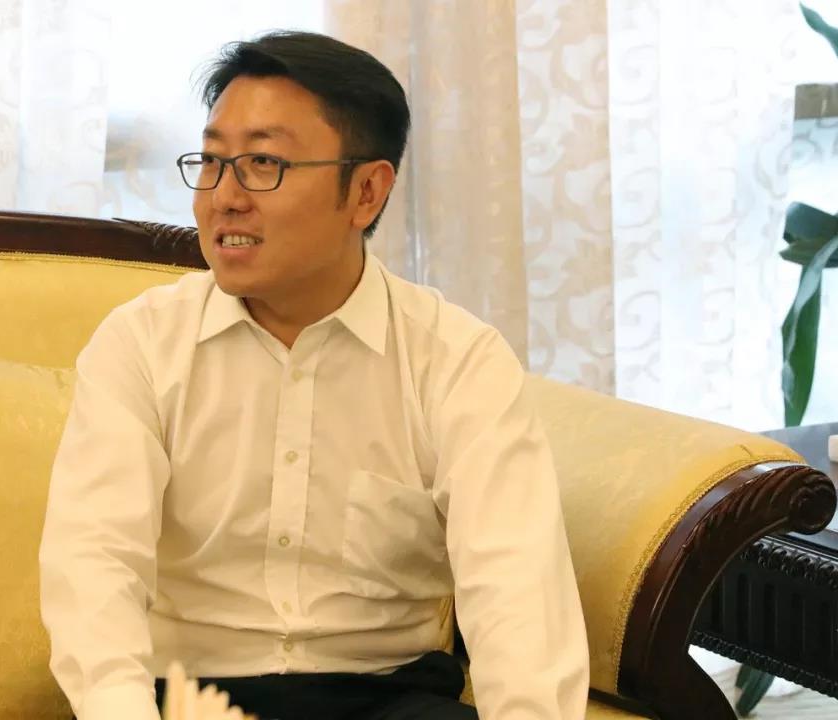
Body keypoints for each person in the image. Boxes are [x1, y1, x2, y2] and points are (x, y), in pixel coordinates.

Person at [39, 30, 589, 720]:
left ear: (366, 192)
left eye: (263, 163)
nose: (223, 198)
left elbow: (517, 595)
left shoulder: (456, 360)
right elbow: (94, 566)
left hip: (387, 699)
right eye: (211, 162)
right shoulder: (141, 344)